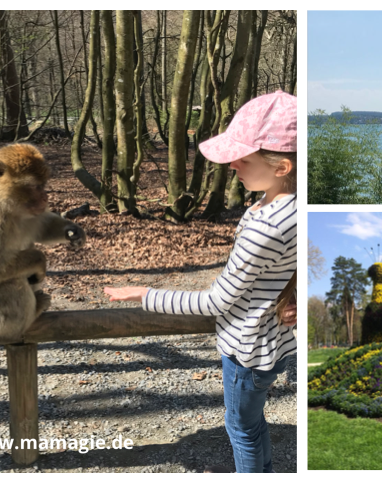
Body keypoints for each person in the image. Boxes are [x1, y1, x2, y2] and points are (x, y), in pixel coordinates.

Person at [104, 90, 297, 473]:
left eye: (242, 159)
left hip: (248, 349)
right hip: (274, 343)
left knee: (241, 425)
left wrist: (144, 293)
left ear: (282, 167)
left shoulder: (266, 225)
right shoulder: (293, 206)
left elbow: (215, 303)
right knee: (253, 422)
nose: (232, 167)